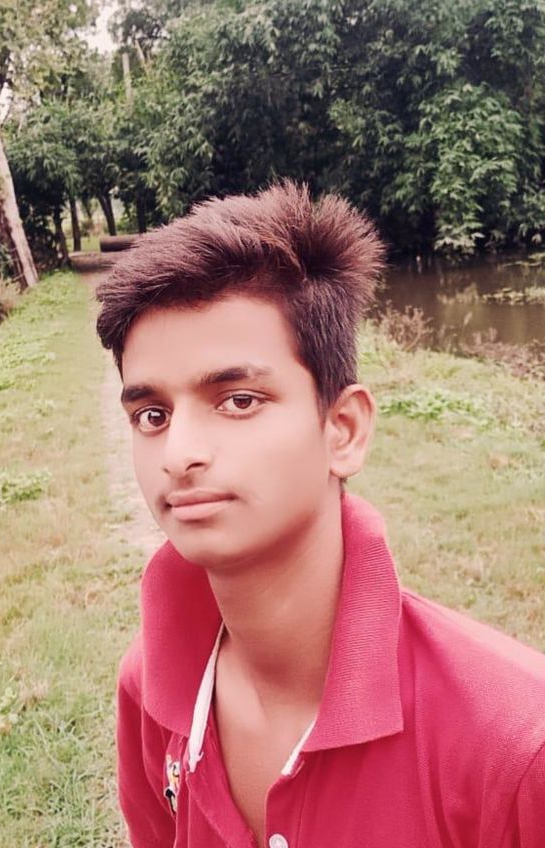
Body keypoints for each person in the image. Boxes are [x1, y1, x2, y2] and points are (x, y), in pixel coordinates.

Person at [95, 181, 545, 848]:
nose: (179, 455)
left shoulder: (516, 749)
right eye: (152, 415)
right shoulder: (149, 689)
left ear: (343, 429)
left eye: (238, 400)